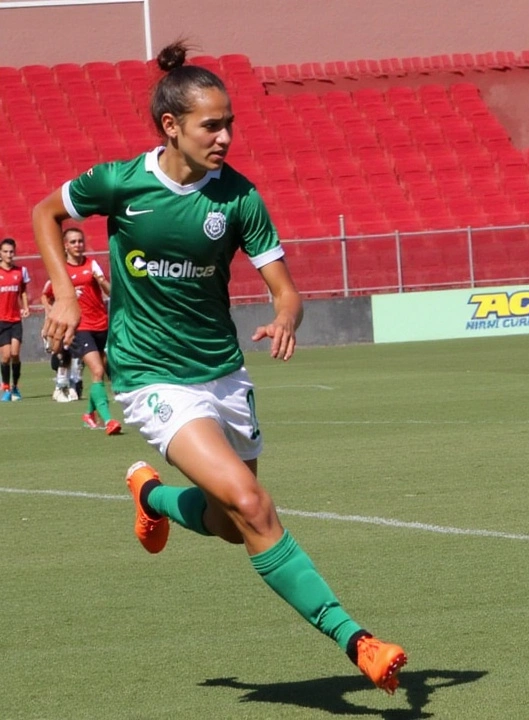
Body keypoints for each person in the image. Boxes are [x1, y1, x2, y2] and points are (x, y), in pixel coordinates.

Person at [34, 41, 407, 694]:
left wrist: (287, 313)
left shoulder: (238, 199)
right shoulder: (122, 183)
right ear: (172, 126)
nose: (226, 136)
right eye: (212, 124)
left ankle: (150, 496)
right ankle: (359, 640)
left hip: (223, 374)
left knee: (235, 527)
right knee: (253, 504)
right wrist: (64, 291)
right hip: (151, 376)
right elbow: (46, 211)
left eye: (230, 122)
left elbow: (283, 287)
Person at [41, 226, 120, 432]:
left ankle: (88, 414)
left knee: (100, 373)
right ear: (65, 246)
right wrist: (51, 311)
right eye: (73, 242)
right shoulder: (62, 272)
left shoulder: (92, 264)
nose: (78, 245)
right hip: (81, 327)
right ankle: (109, 420)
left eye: (80, 241)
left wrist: (101, 280)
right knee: (97, 370)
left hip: (102, 324)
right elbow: (47, 294)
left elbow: (110, 292)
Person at [0, 237, 32, 401]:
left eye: (11, 251)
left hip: (15, 319)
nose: (9, 254)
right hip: (1, 321)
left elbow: (23, 291)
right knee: (5, 356)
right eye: (5, 251)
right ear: (0, 253)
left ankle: (15, 387)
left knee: (15, 353)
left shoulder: (20, 271)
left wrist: (25, 307)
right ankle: (5, 386)